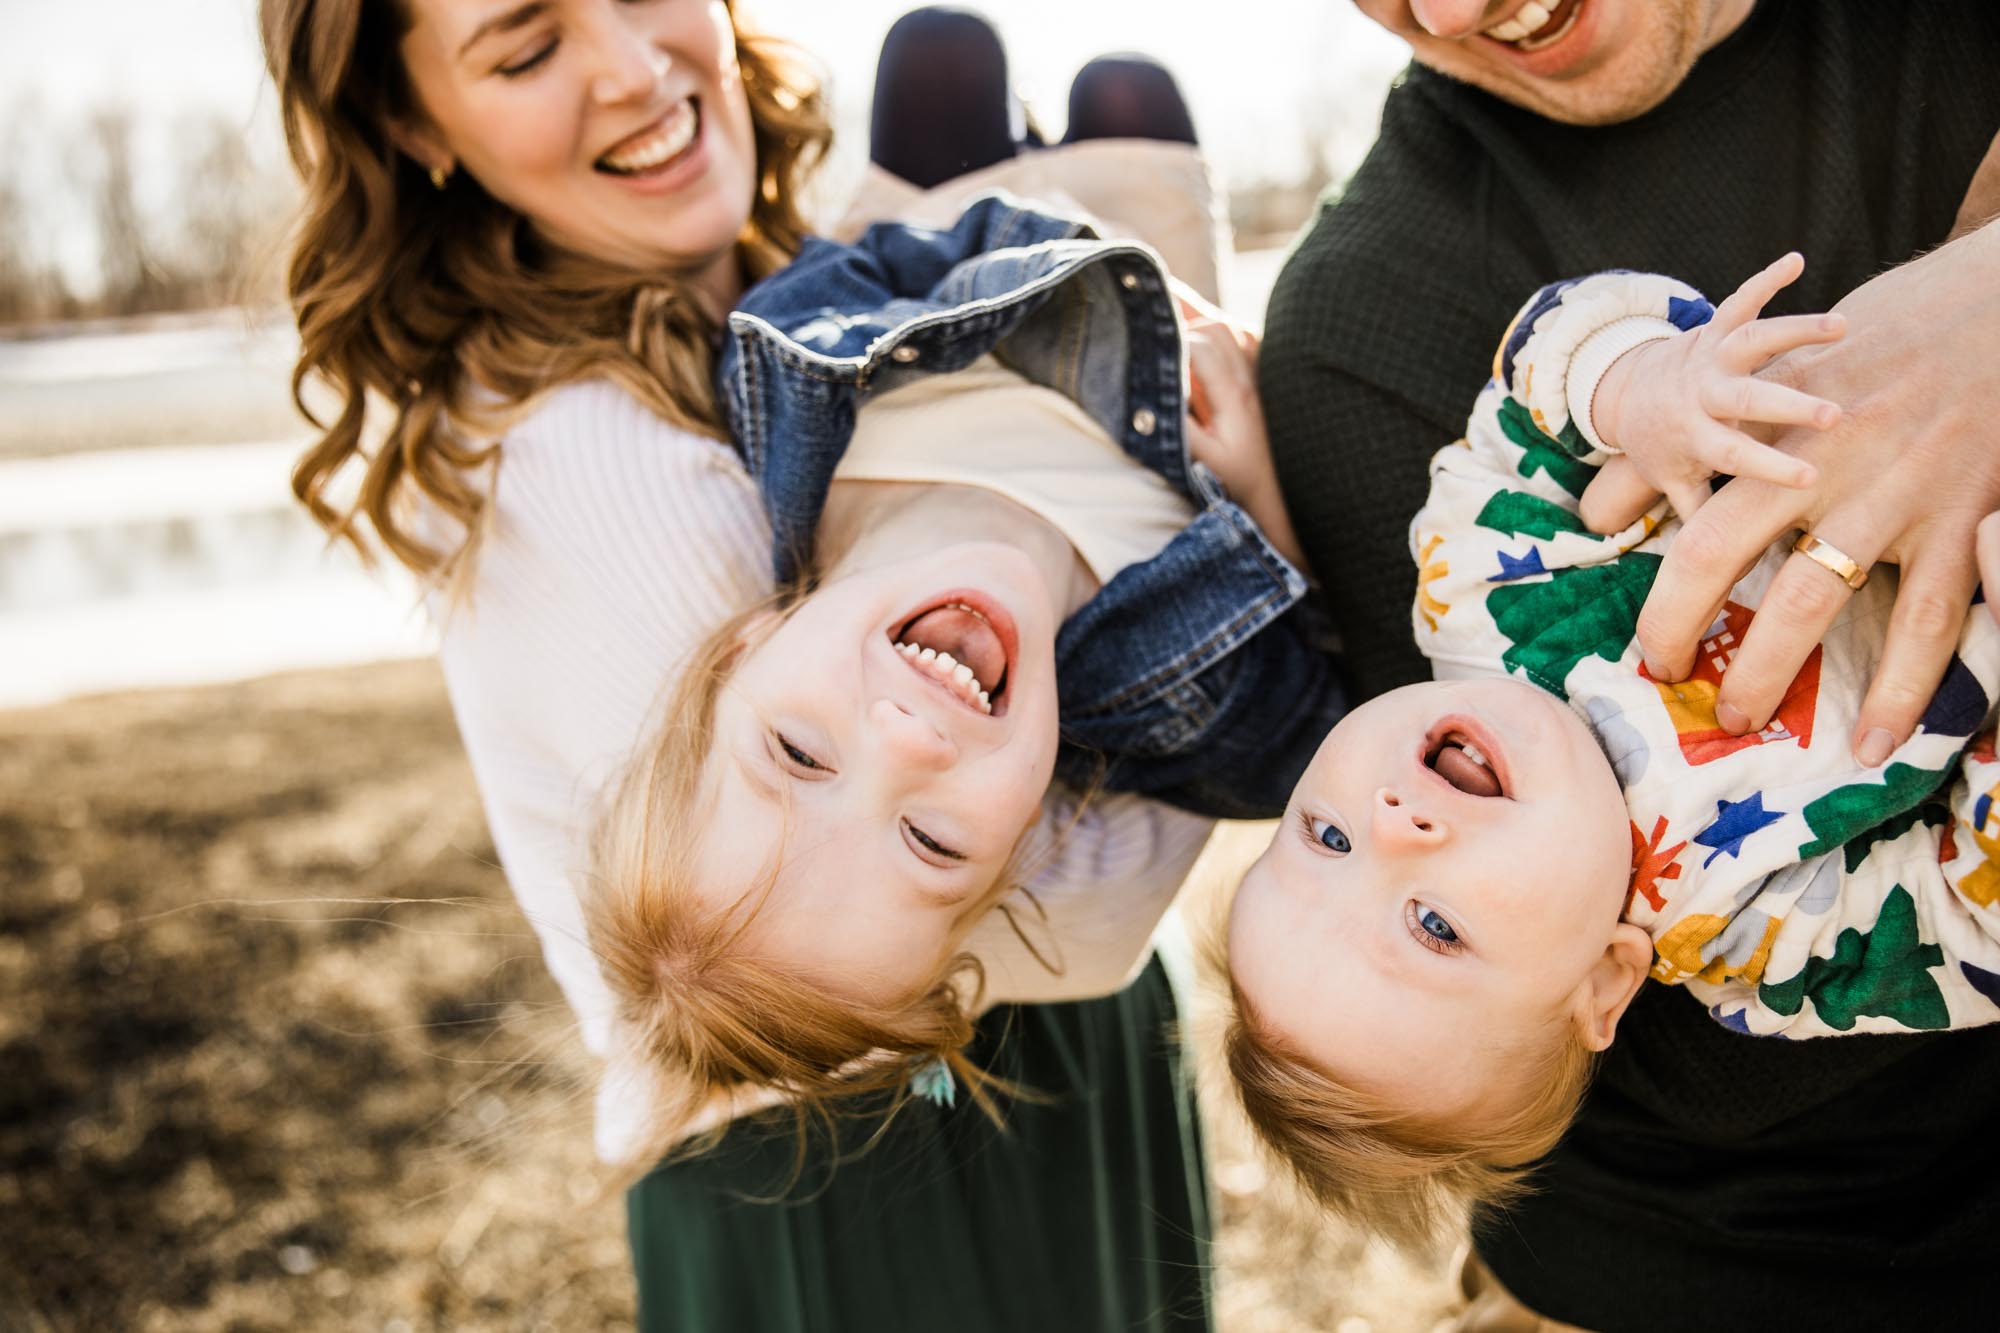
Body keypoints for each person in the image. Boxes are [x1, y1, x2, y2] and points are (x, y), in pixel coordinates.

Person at [258, 1, 1234, 1327]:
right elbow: (1074, 913)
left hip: (1030, 1076)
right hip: (861, 1170)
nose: (626, 67)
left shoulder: (797, 271)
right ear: (414, 122)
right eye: (526, 47)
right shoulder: (592, 454)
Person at [1259, 2, 2000, 1325]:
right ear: (1609, 978)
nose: (1394, 822)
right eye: (1433, 922)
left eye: (1321, 838)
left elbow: (1534, 383)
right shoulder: (1763, 940)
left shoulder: (1487, 597)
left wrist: (1640, 384)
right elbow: (1978, 912)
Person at [589, 192, 1339, 1156]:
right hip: (1174, 232)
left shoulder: (796, 396)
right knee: (1123, 89)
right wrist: (1268, 497)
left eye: (801, 752)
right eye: (933, 840)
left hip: (1045, 210)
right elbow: (1316, 716)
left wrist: (1082, 252)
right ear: (1021, 844)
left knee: (938, 50)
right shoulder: (1170, 701)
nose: (910, 741)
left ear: (745, 645)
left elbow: (872, 259)